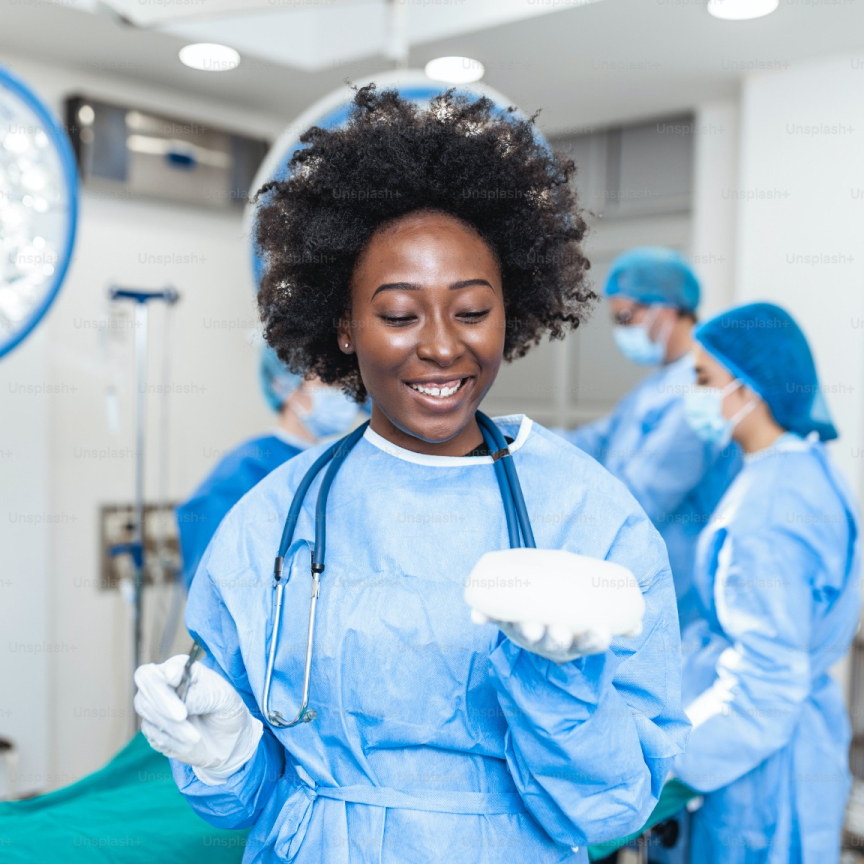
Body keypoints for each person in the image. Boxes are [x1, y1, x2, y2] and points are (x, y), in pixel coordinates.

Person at [134, 86, 689, 864]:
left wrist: (563, 690)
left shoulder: (586, 515)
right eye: (398, 315)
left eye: (471, 311)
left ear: (514, 311)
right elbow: (255, 799)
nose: (440, 347)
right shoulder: (275, 519)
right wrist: (223, 752)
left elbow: (610, 813)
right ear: (344, 324)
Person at [674, 302, 860, 863]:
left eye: (704, 378)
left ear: (749, 388)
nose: (694, 393)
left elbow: (765, 687)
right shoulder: (806, 466)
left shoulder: (769, 512)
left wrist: (664, 764)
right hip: (801, 748)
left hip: (764, 771)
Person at [558, 248, 741, 628]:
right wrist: (520, 440)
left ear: (667, 309)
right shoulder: (659, 383)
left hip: (676, 589)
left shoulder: (698, 390)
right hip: (642, 578)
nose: (622, 331)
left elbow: (641, 496)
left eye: (626, 318)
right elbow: (598, 439)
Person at [175, 346, 359, 590]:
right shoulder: (246, 468)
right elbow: (211, 584)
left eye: (343, 379)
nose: (341, 391)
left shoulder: (339, 464)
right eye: (328, 379)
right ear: (283, 385)